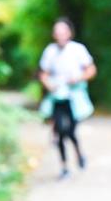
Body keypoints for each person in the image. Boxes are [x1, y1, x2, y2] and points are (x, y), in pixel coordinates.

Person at [38, 17, 97, 180]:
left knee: (70, 130)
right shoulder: (50, 51)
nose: (60, 35)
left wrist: (78, 78)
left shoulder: (78, 50)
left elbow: (91, 69)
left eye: (63, 31)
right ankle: (64, 166)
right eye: (57, 32)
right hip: (57, 97)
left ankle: (78, 153)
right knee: (60, 130)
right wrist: (48, 84)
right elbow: (43, 73)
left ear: (69, 33)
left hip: (74, 97)